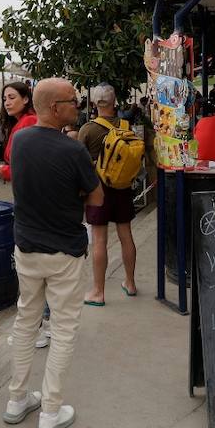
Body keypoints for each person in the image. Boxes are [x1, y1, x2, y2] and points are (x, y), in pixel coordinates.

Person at [4, 78, 101, 428]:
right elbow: (96, 198)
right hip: (63, 250)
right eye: (73, 101)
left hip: (27, 246)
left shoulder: (21, 140)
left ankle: (16, 399)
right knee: (63, 328)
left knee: (26, 320)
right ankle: (50, 410)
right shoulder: (72, 150)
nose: (78, 106)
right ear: (57, 107)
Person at [77, 84, 138, 303]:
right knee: (126, 235)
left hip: (98, 191)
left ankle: (98, 292)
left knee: (100, 240)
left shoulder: (88, 129)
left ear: (94, 103)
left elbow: (78, 162)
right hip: (123, 188)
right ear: (114, 103)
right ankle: (130, 283)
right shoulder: (126, 125)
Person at [0, 81, 36, 183]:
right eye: (4, 99)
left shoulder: (29, 121)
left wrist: (6, 171)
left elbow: (29, 163)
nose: (7, 103)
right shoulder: (20, 122)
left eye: (12, 97)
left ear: (25, 99)